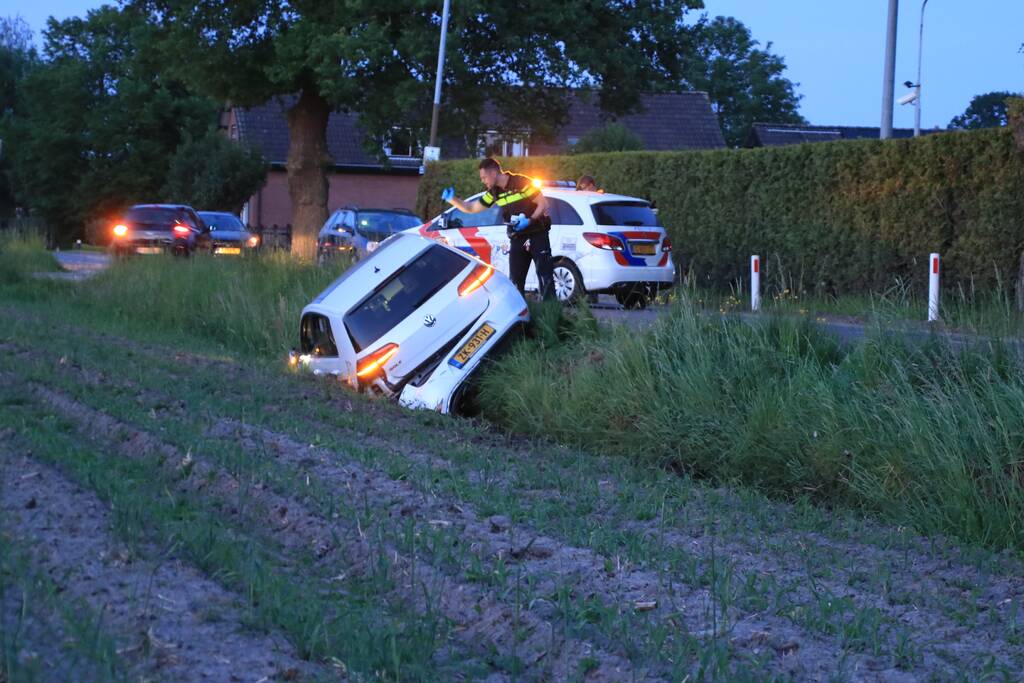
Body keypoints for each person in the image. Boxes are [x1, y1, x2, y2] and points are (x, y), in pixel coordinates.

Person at [440, 158, 555, 300]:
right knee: (516, 281)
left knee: (545, 277)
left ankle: (552, 313)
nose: (483, 181)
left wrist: (529, 220)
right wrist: (453, 199)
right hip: (518, 237)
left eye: (484, 177)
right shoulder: (494, 192)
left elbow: (543, 204)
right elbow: (471, 208)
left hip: (537, 234)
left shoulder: (521, 182)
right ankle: (521, 318)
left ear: (494, 173)